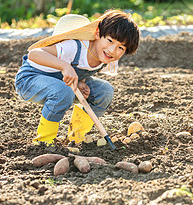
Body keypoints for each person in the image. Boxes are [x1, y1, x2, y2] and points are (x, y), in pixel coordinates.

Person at [15, 10, 140, 144]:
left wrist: (81, 81)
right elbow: (34, 53)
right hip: (30, 80)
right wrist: (65, 67)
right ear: (97, 33)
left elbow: (82, 69)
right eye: (110, 41)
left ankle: (76, 138)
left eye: (121, 48)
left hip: (62, 84)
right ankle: (44, 141)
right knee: (63, 91)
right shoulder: (74, 46)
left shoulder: (106, 58)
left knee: (104, 92)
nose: (112, 50)